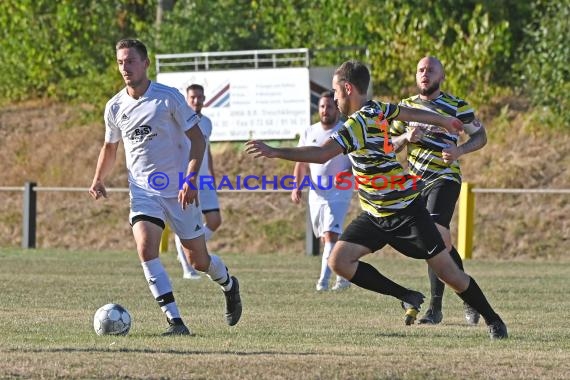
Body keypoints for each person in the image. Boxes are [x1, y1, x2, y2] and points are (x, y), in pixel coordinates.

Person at [246, 60, 507, 339]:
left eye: (335, 91)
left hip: (405, 210)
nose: (333, 98)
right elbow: (405, 111)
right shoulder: (376, 108)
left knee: (449, 273)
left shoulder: (357, 124)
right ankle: (407, 295)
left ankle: (494, 321)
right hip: (375, 213)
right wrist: (442, 119)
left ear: (347, 89)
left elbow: (322, 154)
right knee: (339, 261)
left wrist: (275, 151)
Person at [89, 39, 242, 336]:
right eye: (121, 62)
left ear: (146, 63)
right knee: (146, 248)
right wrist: (99, 178)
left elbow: (198, 140)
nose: (125, 68)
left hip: (179, 192)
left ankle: (229, 284)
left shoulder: (167, 98)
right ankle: (175, 322)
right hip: (143, 192)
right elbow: (110, 148)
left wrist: (190, 178)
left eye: (131, 61)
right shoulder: (115, 106)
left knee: (198, 260)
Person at [390, 56, 488, 326]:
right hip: (416, 184)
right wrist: (404, 138)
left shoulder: (456, 106)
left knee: (434, 232)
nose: (425, 74)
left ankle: (434, 309)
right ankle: (470, 296)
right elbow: (388, 144)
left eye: (430, 70)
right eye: (420, 70)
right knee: (437, 243)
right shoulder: (405, 108)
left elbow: (480, 136)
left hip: (445, 178)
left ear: (441, 76)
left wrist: (459, 150)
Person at [292, 91, 353, 292]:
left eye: (329, 107)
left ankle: (322, 282)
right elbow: (301, 162)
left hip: (339, 192)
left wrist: (346, 173)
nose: (325, 110)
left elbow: (356, 160)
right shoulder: (310, 132)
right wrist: (297, 185)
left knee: (330, 235)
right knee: (326, 236)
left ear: (337, 109)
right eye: (322, 107)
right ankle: (344, 276)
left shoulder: (345, 130)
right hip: (316, 193)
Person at [174, 84, 222, 280]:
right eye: (193, 97)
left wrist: (211, 174)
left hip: (205, 181)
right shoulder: (179, 122)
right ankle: (188, 269)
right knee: (186, 223)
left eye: (200, 97)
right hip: (186, 179)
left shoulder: (207, 122)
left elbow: (206, 148)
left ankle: (187, 248)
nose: (196, 101)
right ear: (187, 98)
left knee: (214, 221)